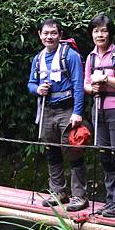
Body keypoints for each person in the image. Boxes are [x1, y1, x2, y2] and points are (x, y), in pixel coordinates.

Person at [27, 18, 88, 211]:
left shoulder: (70, 56)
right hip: (47, 110)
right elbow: (30, 83)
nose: (49, 37)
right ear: (39, 35)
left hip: (67, 109)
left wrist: (78, 112)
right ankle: (58, 192)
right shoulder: (38, 58)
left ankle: (79, 196)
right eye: (45, 33)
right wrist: (38, 90)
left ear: (60, 35)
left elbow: (79, 85)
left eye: (53, 33)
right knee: (51, 151)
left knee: (74, 150)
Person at [84, 14, 115, 218]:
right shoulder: (91, 57)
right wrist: (92, 87)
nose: (100, 34)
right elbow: (85, 84)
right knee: (104, 156)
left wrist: (106, 79)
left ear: (110, 33)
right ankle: (111, 199)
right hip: (99, 109)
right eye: (96, 31)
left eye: (103, 30)